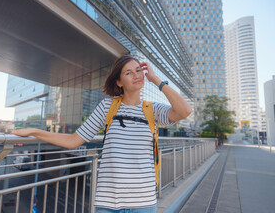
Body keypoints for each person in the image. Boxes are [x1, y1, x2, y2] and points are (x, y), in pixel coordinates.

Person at [12, 54, 192, 212]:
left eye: (138, 71)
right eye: (129, 73)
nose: (136, 75)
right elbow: (74, 140)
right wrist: (35, 132)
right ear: (119, 82)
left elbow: (185, 111)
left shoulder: (152, 110)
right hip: (108, 203)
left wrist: (156, 80)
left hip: (143, 202)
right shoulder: (108, 107)